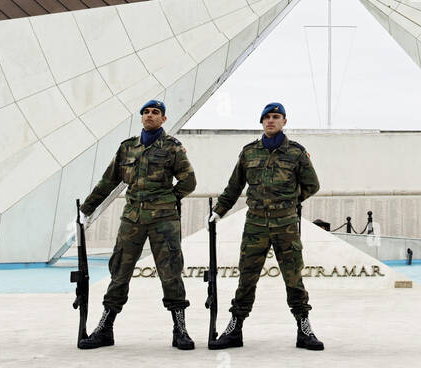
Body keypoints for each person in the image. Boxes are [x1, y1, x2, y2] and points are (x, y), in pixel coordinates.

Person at [78, 100, 197, 350]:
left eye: (155, 113)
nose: (150, 116)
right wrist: (86, 209)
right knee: (119, 271)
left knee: (170, 272)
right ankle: (105, 328)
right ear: (141, 117)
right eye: (146, 112)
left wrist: (169, 199)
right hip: (132, 219)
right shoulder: (128, 148)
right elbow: (108, 181)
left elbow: (189, 181)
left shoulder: (172, 148)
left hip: (163, 221)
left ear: (163, 119)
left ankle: (180, 329)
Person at [207, 102, 324, 351]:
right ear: (261, 122)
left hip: (286, 226)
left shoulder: (296, 153)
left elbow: (312, 185)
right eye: (267, 117)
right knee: (246, 277)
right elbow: (234, 186)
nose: (271, 121)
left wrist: (289, 202)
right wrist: (218, 211)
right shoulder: (249, 152)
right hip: (255, 225)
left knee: (293, 277)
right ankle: (234, 329)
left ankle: (304, 329)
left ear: (284, 121)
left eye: (276, 117)